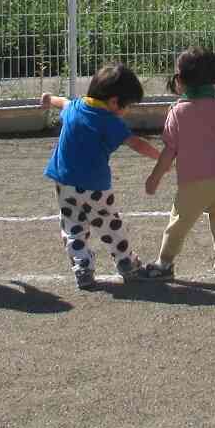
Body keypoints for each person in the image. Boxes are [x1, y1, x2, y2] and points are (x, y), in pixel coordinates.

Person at [40, 62, 166, 291]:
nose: (126, 111)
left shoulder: (76, 106)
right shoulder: (109, 121)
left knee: (73, 226)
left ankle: (82, 268)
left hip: (64, 182)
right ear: (114, 101)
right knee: (109, 224)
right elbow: (136, 143)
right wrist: (161, 158)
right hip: (95, 187)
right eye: (126, 105)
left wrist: (48, 99)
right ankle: (127, 263)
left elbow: (62, 103)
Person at [140, 47, 215, 281]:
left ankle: (164, 263)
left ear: (180, 80)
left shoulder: (178, 111)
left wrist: (154, 178)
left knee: (179, 221)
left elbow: (170, 151)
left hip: (194, 181)